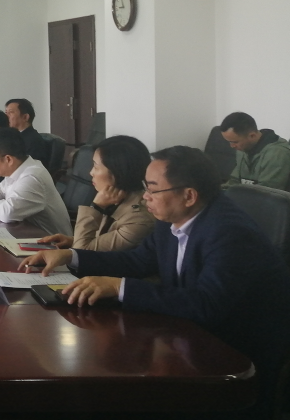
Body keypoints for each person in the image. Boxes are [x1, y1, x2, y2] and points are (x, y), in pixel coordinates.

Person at [20, 146, 290, 411]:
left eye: (152, 189)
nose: (145, 197)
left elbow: (207, 304)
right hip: (188, 335)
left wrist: (119, 286)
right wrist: (70, 256)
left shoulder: (229, 233)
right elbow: (137, 261)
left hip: (233, 356)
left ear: (189, 195)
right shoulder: (171, 217)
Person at [39, 135, 155, 251]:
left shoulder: (138, 219)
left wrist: (96, 208)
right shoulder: (114, 197)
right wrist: (72, 241)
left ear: (118, 172)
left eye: (96, 167)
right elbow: (100, 242)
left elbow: (81, 253)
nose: (91, 173)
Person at [0, 127, 72, 236]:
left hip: (54, 244)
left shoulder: (33, 177)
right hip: (29, 236)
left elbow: (9, 212)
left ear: (8, 159)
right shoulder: (18, 169)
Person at [220, 111, 290, 190]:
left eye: (235, 142)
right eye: (229, 142)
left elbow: (267, 192)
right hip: (247, 196)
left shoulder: (278, 153)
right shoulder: (243, 149)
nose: (232, 146)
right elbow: (235, 181)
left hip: (265, 196)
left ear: (252, 136)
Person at [4, 98, 51, 166]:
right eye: (6, 112)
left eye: (11, 112)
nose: (6, 116)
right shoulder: (13, 137)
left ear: (25, 117)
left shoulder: (33, 141)